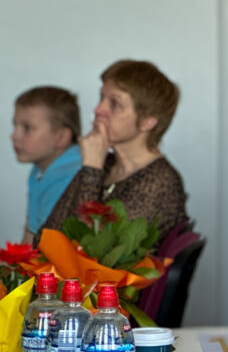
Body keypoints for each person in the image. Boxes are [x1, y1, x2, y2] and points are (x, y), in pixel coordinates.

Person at [39, 60, 187, 244]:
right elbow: (45, 238)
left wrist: (92, 169)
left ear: (147, 121)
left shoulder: (161, 183)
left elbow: (91, 256)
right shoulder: (106, 163)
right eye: (101, 98)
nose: (98, 110)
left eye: (114, 104)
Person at [11, 86, 81, 244]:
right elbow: (31, 230)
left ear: (61, 137)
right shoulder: (40, 169)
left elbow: (52, 245)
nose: (14, 136)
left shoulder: (72, 176)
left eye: (27, 128)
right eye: (15, 126)